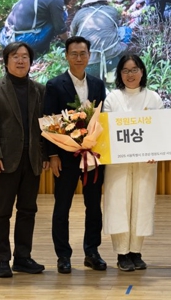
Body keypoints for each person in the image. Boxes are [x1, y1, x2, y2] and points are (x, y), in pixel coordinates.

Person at [0, 42, 47, 278]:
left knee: (28, 210)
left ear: (31, 61)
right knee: (2, 212)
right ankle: (1, 260)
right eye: (15, 56)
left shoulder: (39, 90)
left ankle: (22, 258)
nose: (20, 60)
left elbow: (45, 126)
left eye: (25, 56)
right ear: (6, 60)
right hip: (6, 161)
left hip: (32, 160)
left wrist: (44, 155)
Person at [43, 36, 108, 274]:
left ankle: (92, 252)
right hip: (65, 156)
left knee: (94, 206)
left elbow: (102, 119)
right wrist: (52, 155)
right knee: (62, 207)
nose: (79, 58)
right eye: (74, 53)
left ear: (89, 56)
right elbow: (48, 121)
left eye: (83, 53)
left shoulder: (98, 84)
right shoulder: (54, 84)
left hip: (93, 156)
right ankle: (63, 256)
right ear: (66, 56)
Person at [103, 54, 164, 271]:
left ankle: (136, 251)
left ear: (142, 72)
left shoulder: (153, 98)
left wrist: (156, 150)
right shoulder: (112, 98)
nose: (130, 75)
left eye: (134, 69)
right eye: (126, 70)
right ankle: (122, 253)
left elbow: (160, 130)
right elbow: (106, 131)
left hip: (145, 162)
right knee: (119, 204)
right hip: (118, 163)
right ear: (120, 74)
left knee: (142, 203)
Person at [0, 0, 82, 55]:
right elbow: (60, 29)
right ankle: (42, 50)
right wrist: (69, 42)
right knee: (63, 15)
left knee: (58, 15)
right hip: (20, 41)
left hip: (5, 36)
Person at [71, 0, 128, 80]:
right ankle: (111, 74)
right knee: (125, 30)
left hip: (87, 65)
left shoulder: (80, 14)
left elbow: (72, 35)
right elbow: (116, 28)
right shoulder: (111, 10)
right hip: (112, 60)